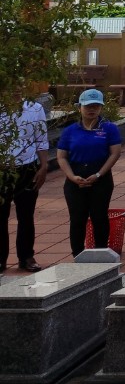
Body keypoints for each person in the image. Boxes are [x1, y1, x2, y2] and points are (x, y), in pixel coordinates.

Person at [56, 89, 122, 256]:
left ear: (101, 108)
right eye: (88, 106)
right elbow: (62, 157)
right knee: (77, 218)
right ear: (80, 107)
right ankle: (77, 254)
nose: (92, 110)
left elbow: (115, 153)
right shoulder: (70, 131)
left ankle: (100, 252)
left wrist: (99, 174)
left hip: (100, 176)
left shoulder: (109, 128)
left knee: (99, 216)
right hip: (75, 177)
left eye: (96, 106)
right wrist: (72, 177)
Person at [0, 95, 49, 272]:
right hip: (2, 170)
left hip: (28, 167)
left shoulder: (34, 108)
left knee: (26, 215)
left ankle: (26, 256)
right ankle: (1, 259)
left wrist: (43, 165)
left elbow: (41, 138)